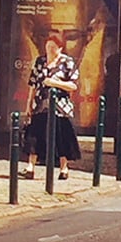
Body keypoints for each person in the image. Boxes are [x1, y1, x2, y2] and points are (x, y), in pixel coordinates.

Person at [23, 33, 81, 181]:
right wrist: (29, 104)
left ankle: (63, 168)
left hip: (60, 106)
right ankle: (30, 167)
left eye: (53, 47)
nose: (49, 50)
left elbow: (73, 85)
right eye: (48, 46)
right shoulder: (40, 61)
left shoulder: (67, 62)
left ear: (60, 48)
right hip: (41, 104)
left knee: (62, 136)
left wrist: (54, 83)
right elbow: (33, 84)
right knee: (35, 135)